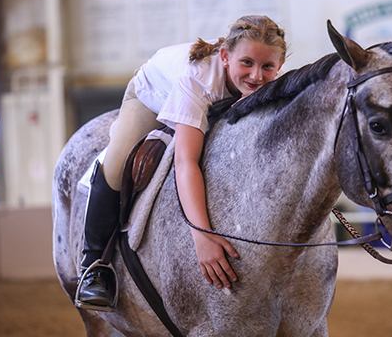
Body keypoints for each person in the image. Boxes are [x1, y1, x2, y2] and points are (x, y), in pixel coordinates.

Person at [77, 15, 287, 311]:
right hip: (153, 96)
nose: (256, 76)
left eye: (267, 67)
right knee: (117, 163)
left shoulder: (263, 77)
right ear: (226, 57)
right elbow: (185, 162)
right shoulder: (197, 79)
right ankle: (94, 266)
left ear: (279, 65)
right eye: (247, 64)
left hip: (212, 100)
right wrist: (202, 237)